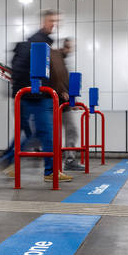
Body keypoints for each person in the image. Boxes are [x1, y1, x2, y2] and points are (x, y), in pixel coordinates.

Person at [0, 10, 73, 182]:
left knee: (33, 133)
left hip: (34, 95)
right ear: (43, 22)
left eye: (56, 21)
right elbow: (22, 71)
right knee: (43, 132)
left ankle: (7, 161)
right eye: (51, 20)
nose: (54, 24)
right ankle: (49, 171)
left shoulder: (45, 44)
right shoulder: (37, 43)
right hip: (35, 96)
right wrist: (30, 91)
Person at [50, 38, 84, 171]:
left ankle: (69, 160)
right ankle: (13, 157)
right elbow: (55, 77)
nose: (71, 50)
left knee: (71, 130)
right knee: (45, 133)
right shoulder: (56, 57)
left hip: (63, 104)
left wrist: (72, 102)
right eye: (69, 47)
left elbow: (63, 81)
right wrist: (61, 91)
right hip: (55, 102)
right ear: (64, 46)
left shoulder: (63, 61)